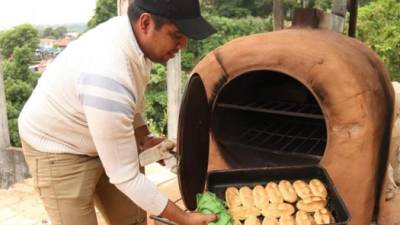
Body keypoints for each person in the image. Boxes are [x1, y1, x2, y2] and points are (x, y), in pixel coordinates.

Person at [18, 0, 217, 224]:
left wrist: (145, 138)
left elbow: (130, 101)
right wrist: (183, 218)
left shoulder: (136, 40)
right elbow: (126, 177)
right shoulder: (108, 75)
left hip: (100, 135)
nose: (184, 44)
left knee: (131, 219)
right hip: (58, 147)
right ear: (146, 23)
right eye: (177, 34)